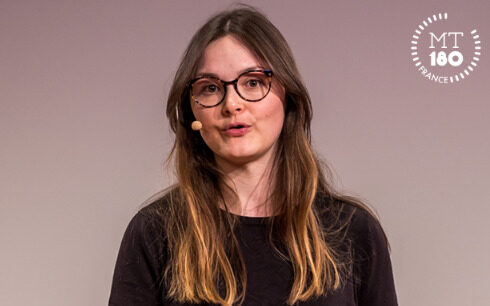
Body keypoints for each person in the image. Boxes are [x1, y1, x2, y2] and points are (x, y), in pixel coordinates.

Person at [109, 5, 398, 306]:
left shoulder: (353, 231)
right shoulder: (155, 233)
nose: (232, 104)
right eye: (210, 88)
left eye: (253, 82)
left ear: (288, 97)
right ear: (192, 110)